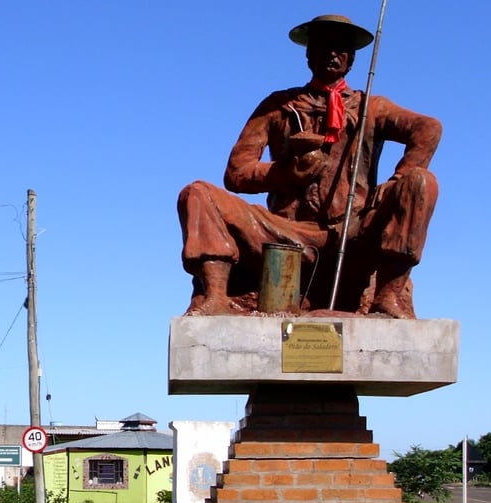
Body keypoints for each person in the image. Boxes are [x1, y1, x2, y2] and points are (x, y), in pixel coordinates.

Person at [178, 14, 441, 318]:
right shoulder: (279, 106)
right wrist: (285, 173)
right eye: (324, 46)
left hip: (353, 230)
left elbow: (428, 129)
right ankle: (215, 297)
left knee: (422, 182)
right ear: (308, 54)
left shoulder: (371, 107)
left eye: (341, 48)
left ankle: (389, 297)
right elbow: (236, 172)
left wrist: (396, 185)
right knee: (197, 193)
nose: (333, 53)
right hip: (286, 233)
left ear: (352, 59)